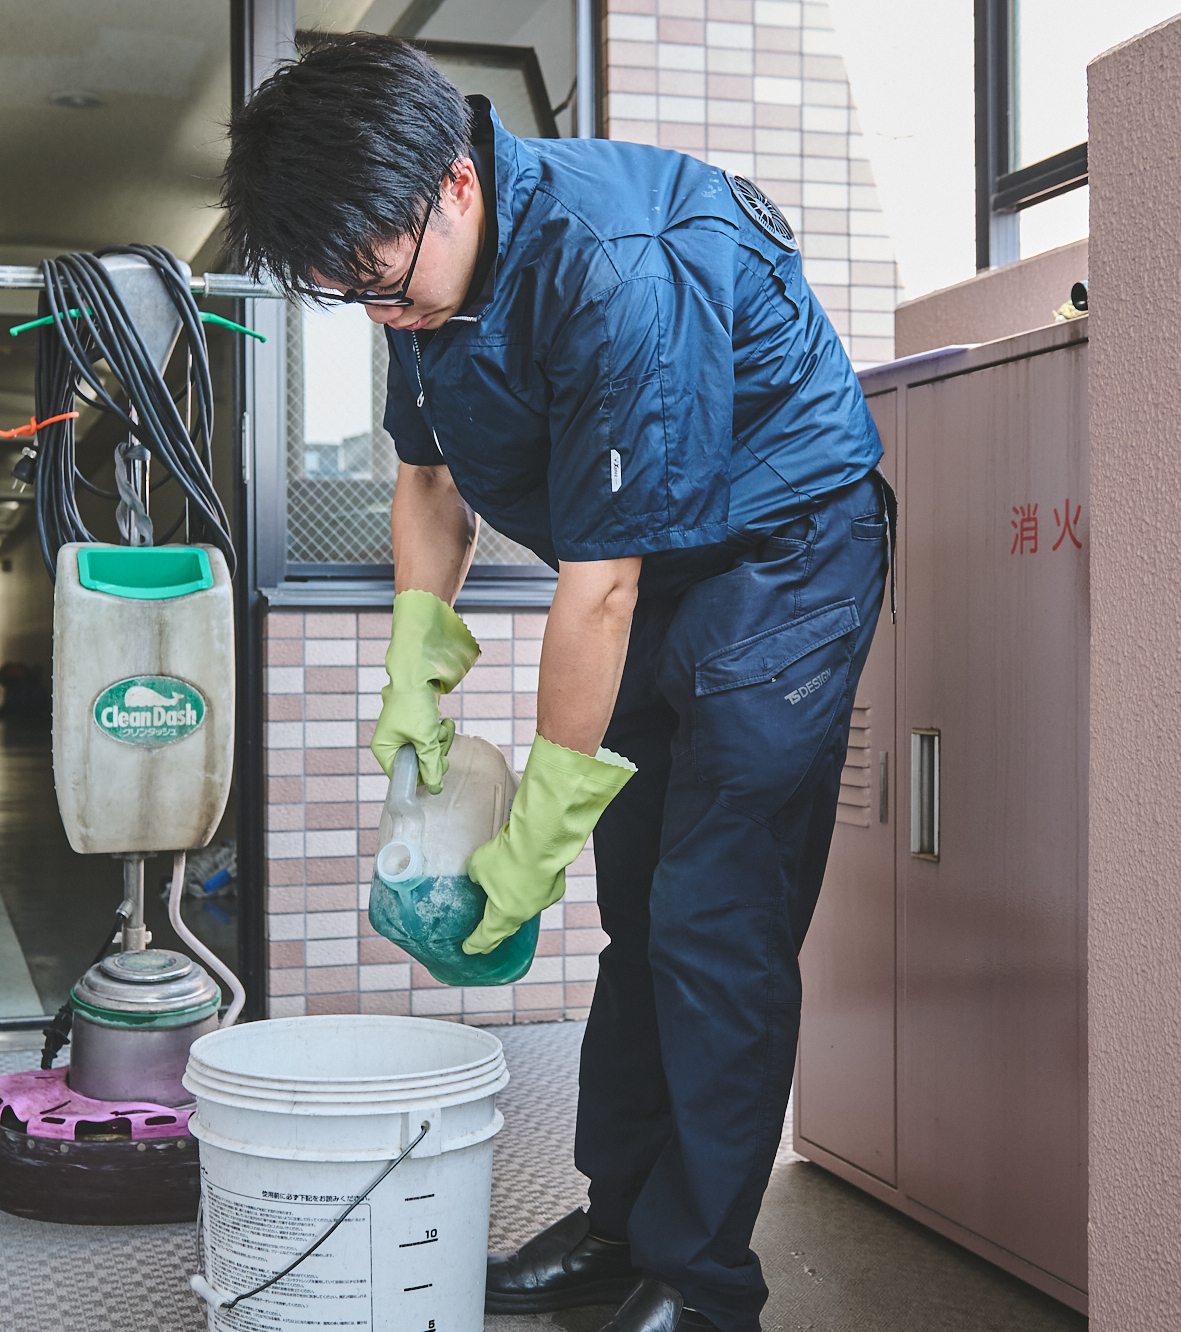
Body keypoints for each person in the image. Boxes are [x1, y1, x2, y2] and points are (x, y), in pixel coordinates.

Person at [221, 34, 892, 1332]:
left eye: (379, 281)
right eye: (345, 294)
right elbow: (427, 476)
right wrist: (416, 653)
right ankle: (621, 1228)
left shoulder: (613, 267)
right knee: (637, 900)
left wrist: (537, 822)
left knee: (713, 915)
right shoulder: (418, 275)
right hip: (650, 562)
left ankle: (702, 1284)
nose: (377, 311)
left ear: (456, 183)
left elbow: (600, 592)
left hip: (783, 558)